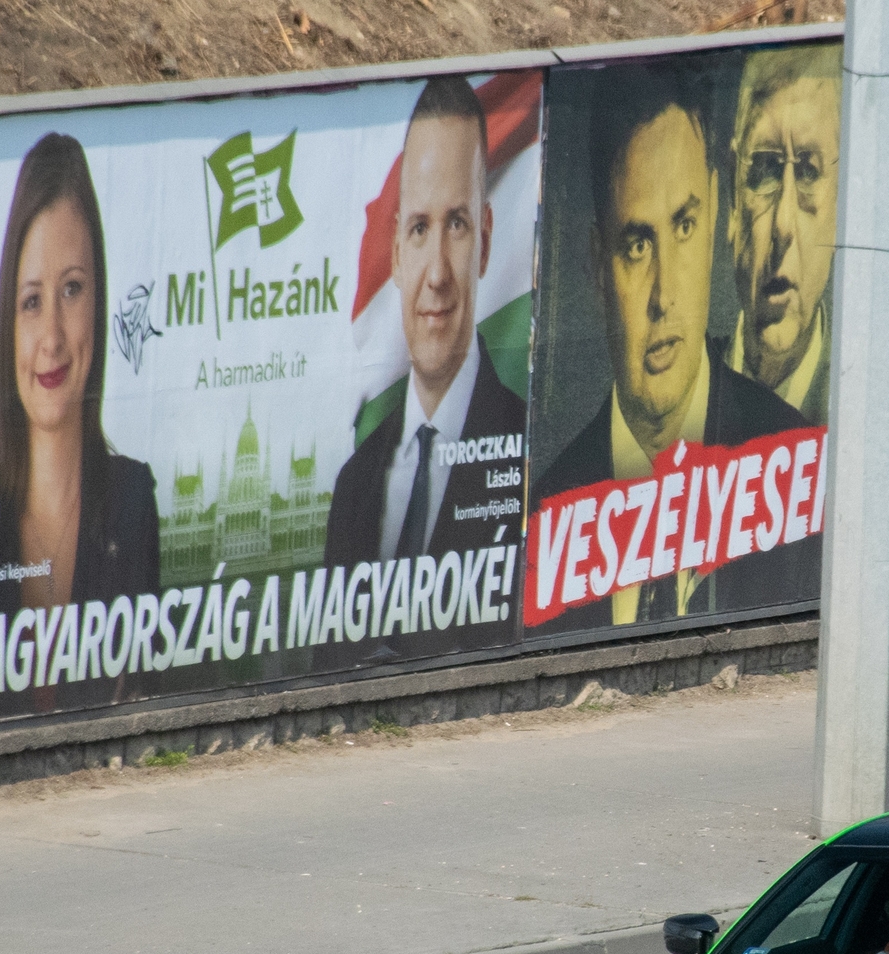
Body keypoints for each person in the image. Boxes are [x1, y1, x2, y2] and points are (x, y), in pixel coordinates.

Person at [538, 63, 811, 630]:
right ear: (596, 266)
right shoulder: (544, 521)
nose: (665, 295)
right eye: (636, 246)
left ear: (718, 209)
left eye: (684, 226)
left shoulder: (799, 474)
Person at [0, 133, 159, 717]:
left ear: (100, 298)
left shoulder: (134, 502)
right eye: (32, 301)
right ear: (7, 324)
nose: (54, 338)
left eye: (73, 290)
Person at [323, 76, 528, 667]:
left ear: (485, 243)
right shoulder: (354, 486)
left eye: (456, 225)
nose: (437, 272)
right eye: (419, 228)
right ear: (394, 252)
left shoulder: (526, 451)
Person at [728, 45, 839, 424]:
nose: (783, 225)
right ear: (732, 197)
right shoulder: (680, 415)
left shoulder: (870, 408)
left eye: (808, 171)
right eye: (765, 169)